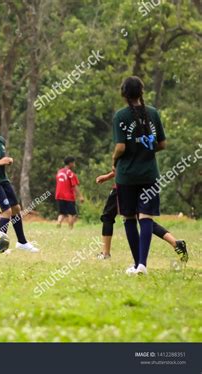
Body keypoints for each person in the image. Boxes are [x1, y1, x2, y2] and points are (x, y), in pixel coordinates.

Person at [112, 76, 166, 275]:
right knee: (146, 217)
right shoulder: (153, 113)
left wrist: (114, 158)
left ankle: (137, 265)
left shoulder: (120, 116)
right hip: (149, 174)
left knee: (128, 218)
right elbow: (162, 144)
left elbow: (120, 146)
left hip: (127, 176)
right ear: (141, 92)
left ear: (124, 94)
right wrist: (146, 148)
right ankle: (142, 264)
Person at [0, 114, 39, 253]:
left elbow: (0, 159)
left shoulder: (1, 141)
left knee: (16, 209)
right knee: (6, 211)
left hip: (3, 180)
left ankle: (22, 242)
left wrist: (7, 160)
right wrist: (0, 162)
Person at [96, 170, 188, 262]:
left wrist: (107, 176)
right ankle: (176, 243)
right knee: (144, 219)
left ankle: (105, 254)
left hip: (124, 186)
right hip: (142, 185)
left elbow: (120, 165)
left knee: (108, 216)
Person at [55, 156, 84, 229]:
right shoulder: (71, 174)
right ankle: (70, 228)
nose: (74, 164)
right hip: (68, 196)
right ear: (70, 163)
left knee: (61, 213)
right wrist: (80, 196)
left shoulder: (59, 171)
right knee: (72, 213)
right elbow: (74, 186)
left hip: (59, 195)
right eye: (74, 163)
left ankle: (58, 223)